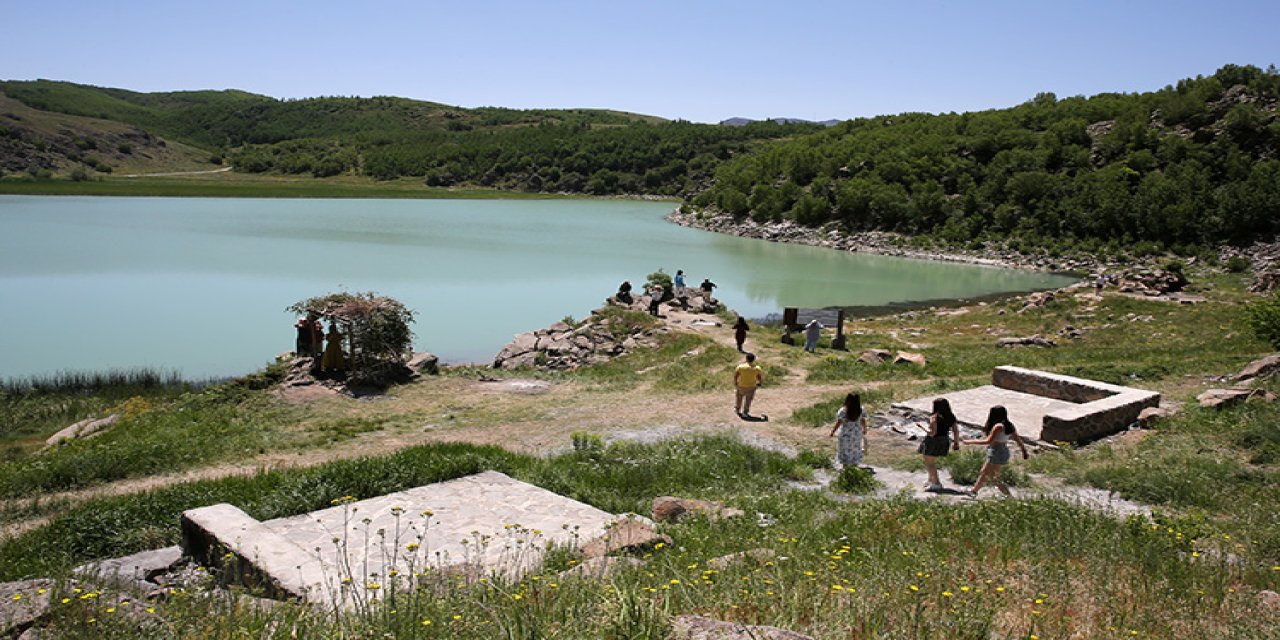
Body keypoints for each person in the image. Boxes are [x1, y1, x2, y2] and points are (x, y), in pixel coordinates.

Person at [963, 405, 1029, 497]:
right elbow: (1017, 439)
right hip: (1003, 450)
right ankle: (974, 491)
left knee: (994, 478)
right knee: (984, 472)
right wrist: (1024, 450)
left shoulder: (998, 426)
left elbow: (988, 441)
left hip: (996, 451)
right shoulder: (1009, 425)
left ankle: (1009, 496)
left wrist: (970, 442)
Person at [919, 398, 960, 491]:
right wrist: (956, 442)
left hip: (933, 441)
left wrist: (921, 426)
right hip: (944, 439)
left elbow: (932, 432)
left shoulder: (934, 417)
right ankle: (930, 479)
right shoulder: (951, 416)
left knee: (930, 463)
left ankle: (936, 483)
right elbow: (956, 431)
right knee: (931, 461)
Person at [829, 393, 868, 468]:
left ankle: (845, 465)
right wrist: (865, 429)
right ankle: (855, 464)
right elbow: (863, 421)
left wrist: (833, 432)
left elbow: (839, 422)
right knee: (855, 448)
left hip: (845, 434)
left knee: (844, 449)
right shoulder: (861, 410)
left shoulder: (843, 411)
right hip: (856, 433)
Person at [733, 352, 763, 418]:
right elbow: (759, 377)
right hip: (751, 386)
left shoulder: (740, 367)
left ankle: (737, 409)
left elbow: (736, 375)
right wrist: (759, 383)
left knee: (739, 398)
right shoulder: (757, 368)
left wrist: (735, 382)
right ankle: (745, 412)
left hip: (741, 385)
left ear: (746, 358)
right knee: (748, 400)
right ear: (753, 359)